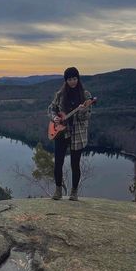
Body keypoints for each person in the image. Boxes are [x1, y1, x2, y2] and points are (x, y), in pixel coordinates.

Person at [47, 67, 93, 201]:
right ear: (66, 80)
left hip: (77, 134)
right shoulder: (60, 94)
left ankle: (74, 192)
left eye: (74, 78)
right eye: (69, 79)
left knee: (75, 164)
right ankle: (58, 190)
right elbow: (51, 109)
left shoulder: (85, 95)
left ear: (78, 79)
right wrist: (54, 117)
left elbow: (86, 117)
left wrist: (83, 110)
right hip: (61, 132)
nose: (72, 81)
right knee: (58, 163)